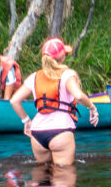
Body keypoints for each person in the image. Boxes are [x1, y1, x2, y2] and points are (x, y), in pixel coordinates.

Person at [10, 37, 99, 167]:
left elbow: (14, 101)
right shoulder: (67, 75)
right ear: (62, 57)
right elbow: (79, 96)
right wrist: (92, 107)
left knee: (42, 176)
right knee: (64, 174)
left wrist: (26, 121)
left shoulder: (34, 77)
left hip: (37, 133)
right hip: (60, 132)